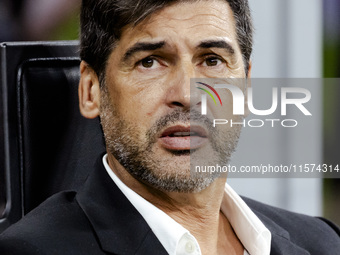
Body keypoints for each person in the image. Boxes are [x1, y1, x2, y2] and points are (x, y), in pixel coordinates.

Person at [0, 0, 339, 254]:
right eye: (150, 62)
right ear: (91, 91)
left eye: (212, 60)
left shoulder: (323, 242)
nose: (187, 96)